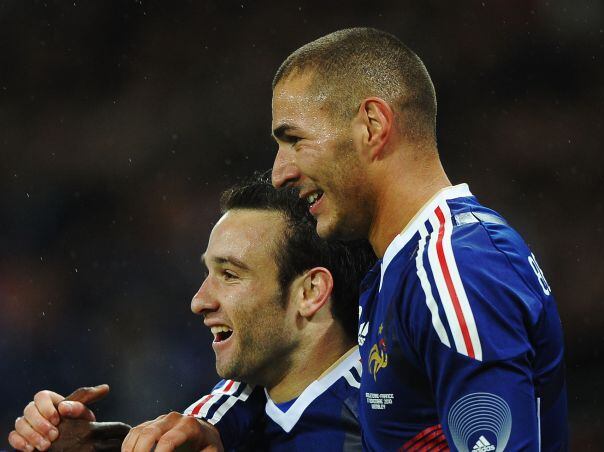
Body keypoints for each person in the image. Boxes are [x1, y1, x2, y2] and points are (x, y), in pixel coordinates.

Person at [271, 28, 569, 451]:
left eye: (294, 140)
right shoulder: (401, 270)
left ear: (372, 126)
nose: (280, 172)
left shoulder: (455, 268)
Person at [8, 179, 374, 452]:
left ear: (309, 292)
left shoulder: (390, 413)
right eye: (207, 274)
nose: (199, 301)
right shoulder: (239, 406)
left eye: (230, 274)